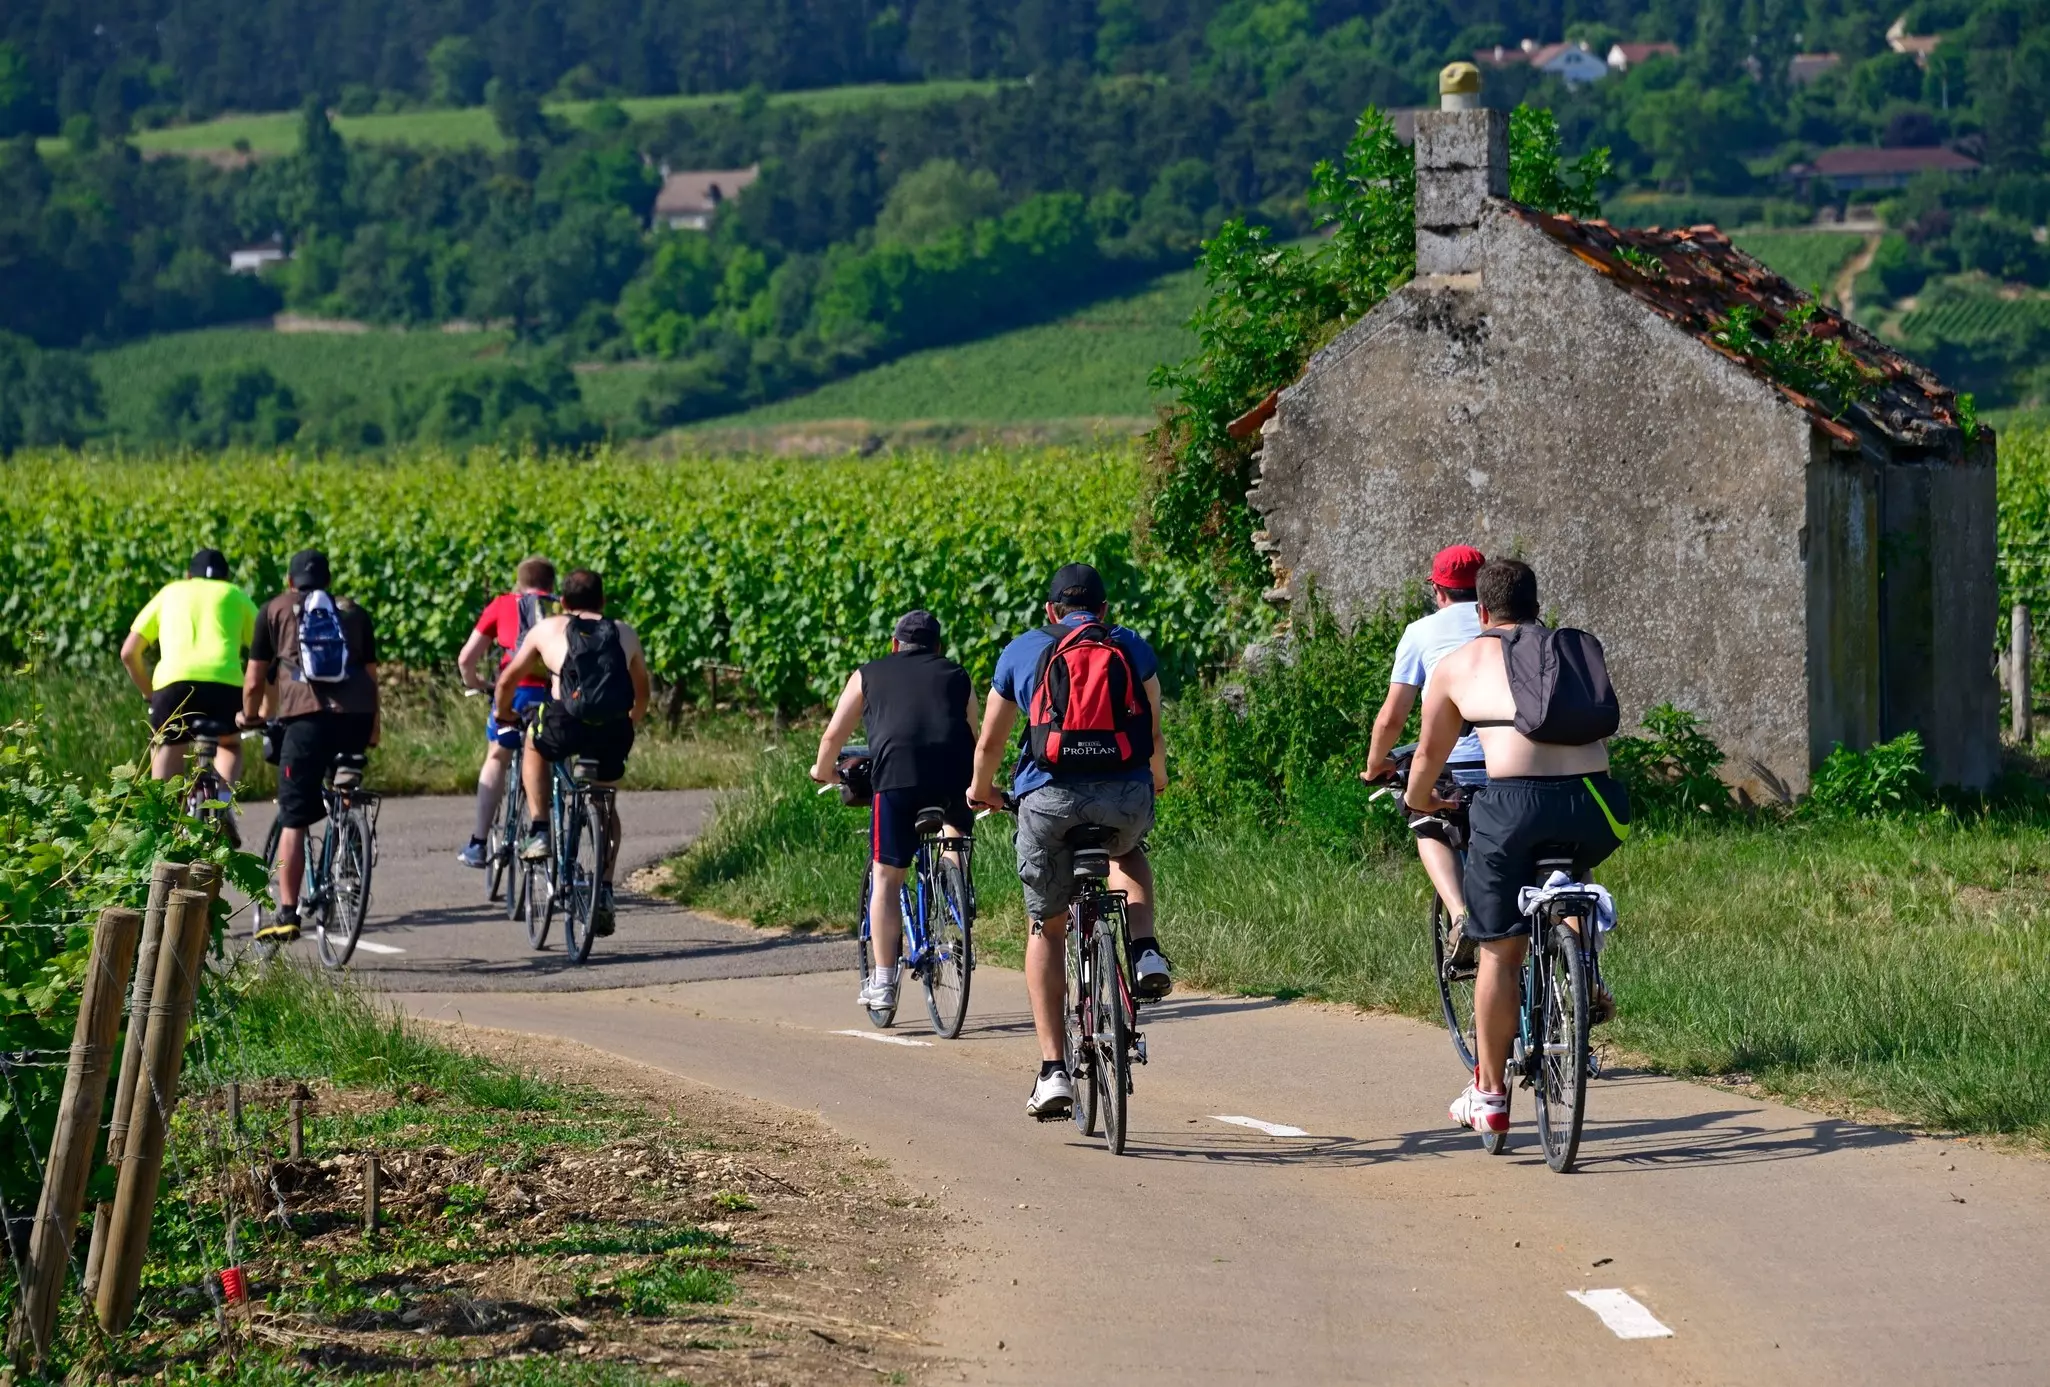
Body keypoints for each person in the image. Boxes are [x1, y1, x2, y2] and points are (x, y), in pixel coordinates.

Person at [1404, 559, 1630, 1138]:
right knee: (1569, 868)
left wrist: (1422, 800)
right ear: (1536, 605)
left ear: (1481, 610)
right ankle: (1581, 960)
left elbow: (1428, 757)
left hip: (1515, 809)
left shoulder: (1458, 665)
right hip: (1599, 807)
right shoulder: (1572, 650)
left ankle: (1490, 1094)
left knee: (1500, 952)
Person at [968, 563, 1174, 1122]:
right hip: (1124, 797)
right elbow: (1153, 732)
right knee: (1127, 851)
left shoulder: (1022, 651)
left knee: (1047, 927)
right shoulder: (1130, 647)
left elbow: (991, 743)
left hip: (1048, 803)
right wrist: (1155, 780)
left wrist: (981, 791)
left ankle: (1053, 1070)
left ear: (1050, 610)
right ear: (1104, 610)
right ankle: (1144, 949)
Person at [808, 610, 977, 1014]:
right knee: (953, 829)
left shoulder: (868, 674)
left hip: (897, 780)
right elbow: (972, 734)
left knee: (885, 876)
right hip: (953, 778)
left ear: (895, 644)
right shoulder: (959, 675)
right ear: (938, 646)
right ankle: (955, 894)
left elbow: (833, 736)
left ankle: (883, 982)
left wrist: (823, 770)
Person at [494, 568, 650, 937]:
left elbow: (508, 680)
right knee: (605, 802)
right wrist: (631, 721)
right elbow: (642, 690)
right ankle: (605, 889)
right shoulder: (624, 632)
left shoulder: (548, 628)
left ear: (562, 602)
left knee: (533, 743)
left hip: (565, 722)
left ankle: (540, 829)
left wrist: (503, 714)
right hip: (612, 728)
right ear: (603, 601)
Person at [242, 549, 381, 945]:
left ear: (290, 581)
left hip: (306, 721)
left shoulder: (274, 610)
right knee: (345, 785)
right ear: (328, 581)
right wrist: (373, 730)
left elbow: (254, 680)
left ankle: (287, 913)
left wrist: (249, 716)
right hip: (355, 717)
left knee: (294, 815)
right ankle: (349, 862)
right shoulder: (354, 613)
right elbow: (372, 677)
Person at [1361, 544, 1489, 962]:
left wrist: (1375, 765)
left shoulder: (1421, 632)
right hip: (1514, 762)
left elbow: (1392, 717)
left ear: (1439, 591)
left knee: (1425, 818)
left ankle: (1460, 914)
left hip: (1455, 765)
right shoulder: (1506, 624)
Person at [121, 548, 260, 807]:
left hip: (174, 684)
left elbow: (128, 653)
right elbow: (265, 649)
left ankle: (165, 814)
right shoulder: (234, 593)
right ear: (225, 578)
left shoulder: (170, 592)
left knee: (167, 744)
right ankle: (222, 803)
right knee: (229, 744)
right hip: (226, 684)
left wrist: (149, 694)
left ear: (188, 575)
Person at [455, 557, 559, 868]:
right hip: (551, 693)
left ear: (519, 582)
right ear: (551, 584)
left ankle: (478, 843)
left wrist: (478, 683)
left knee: (497, 756)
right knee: (545, 754)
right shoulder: (560, 607)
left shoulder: (502, 604)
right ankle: (547, 826)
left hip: (514, 692)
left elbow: (466, 660)